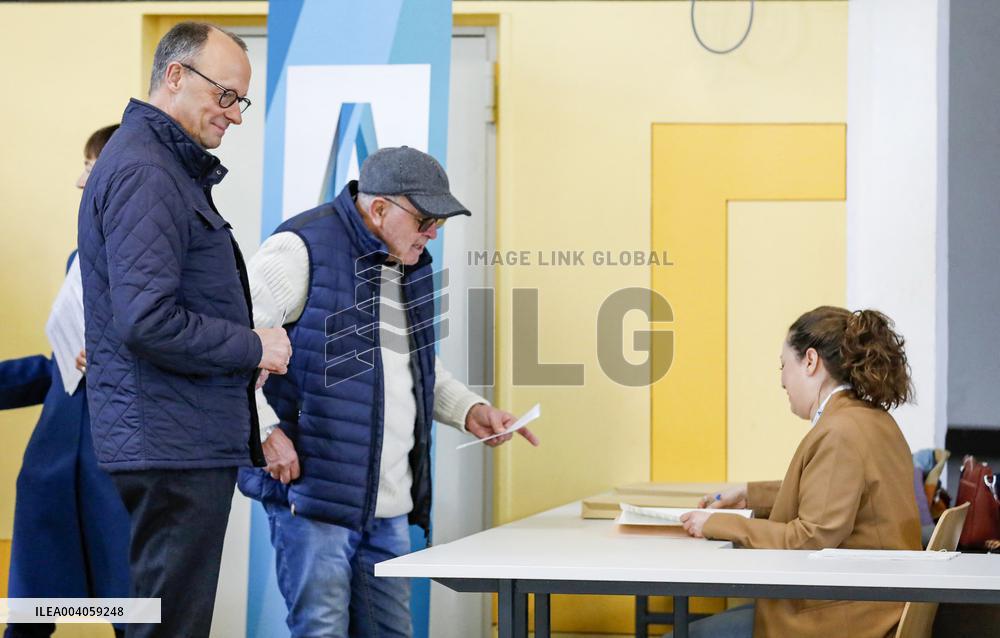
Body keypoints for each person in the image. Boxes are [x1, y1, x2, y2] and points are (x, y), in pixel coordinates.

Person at [237, 146, 539, 637]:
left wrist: (471, 410)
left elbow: (413, 366)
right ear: (378, 209)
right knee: (322, 630)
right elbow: (235, 347)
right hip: (317, 498)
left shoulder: (410, 264)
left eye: (438, 221)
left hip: (388, 503)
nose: (433, 233)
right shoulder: (300, 248)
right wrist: (264, 431)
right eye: (424, 220)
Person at [76, 22, 291, 637]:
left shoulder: (159, 166)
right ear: (175, 76)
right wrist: (255, 344)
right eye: (226, 96)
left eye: (240, 101)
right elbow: (148, 320)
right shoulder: (149, 172)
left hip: (172, 435)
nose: (236, 116)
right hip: (172, 443)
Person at [676, 306, 922, 638]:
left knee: (682, 634)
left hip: (846, 619)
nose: (781, 380)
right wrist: (749, 495)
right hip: (873, 607)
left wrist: (719, 524)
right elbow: (832, 492)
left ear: (810, 361)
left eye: (783, 365)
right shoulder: (870, 420)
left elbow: (809, 539)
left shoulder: (841, 431)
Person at [0, 125, 128, 638]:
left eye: (91, 169)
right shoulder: (79, 259)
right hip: (52, 469)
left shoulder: (164, 261)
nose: (80, 181)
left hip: (119, 473)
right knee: (28, 621)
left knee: (134, 616)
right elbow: (61, 365)